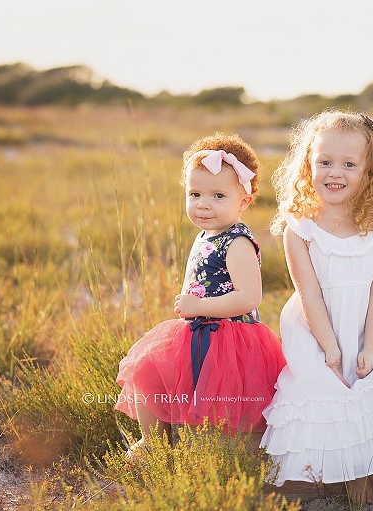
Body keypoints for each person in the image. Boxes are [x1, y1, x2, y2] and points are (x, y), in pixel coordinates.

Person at [260, 110, 373, 511]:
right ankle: (353, 473)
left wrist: (369, 347)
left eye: (349, 164)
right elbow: (310, 295)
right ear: (308, 164)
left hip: (366, 328)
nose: (334, 172)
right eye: (324, 162)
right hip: (315, 331)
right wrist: (331, 348)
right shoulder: (299, 227)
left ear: (369, 170)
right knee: (327, 390)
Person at [115, 133, 287, 456]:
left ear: (244, 201)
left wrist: (199, 305)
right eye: (195, 194)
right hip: (195, 333)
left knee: (220, 402)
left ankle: (215, 454)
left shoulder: (237, 242)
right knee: (147, 370)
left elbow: (249, 298)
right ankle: (154, 443)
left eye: (218, 195)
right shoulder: (206, 234)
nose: (203, 204)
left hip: (230, 340)